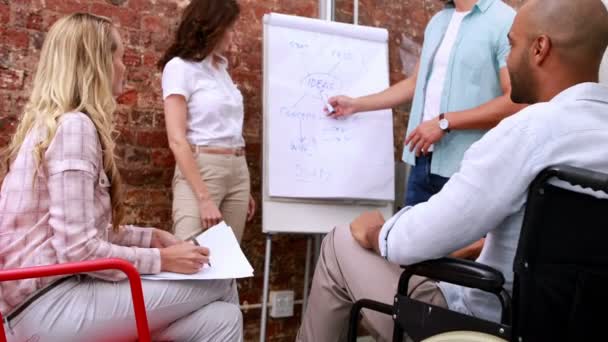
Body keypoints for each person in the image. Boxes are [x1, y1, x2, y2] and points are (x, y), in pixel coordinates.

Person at [298, 0, 608, 340]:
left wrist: (375, 233)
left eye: (513, 44)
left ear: (540, 48)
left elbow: (410, 242)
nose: (507, 58)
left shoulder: (525, 133)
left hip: (485, 324)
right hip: (573, 326)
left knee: (340, 242)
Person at [0, 13, 242, 341]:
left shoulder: (56, 124)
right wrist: (162, 260)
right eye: (116, 55)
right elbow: (78, 250)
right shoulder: (74, 128)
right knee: (220, 279)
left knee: (222, 318)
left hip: (52, 301)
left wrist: (151, 237)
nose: (123, 65)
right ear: (95, 64)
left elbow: (81, 233)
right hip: (49, 306)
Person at [328, 0, 526, 259]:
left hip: (465, 169)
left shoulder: (504, 20)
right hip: (422, 163)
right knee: (412, 264)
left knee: (455, 270)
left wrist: (445, 122)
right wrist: (356, 105)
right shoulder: (438, 22)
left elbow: (516, 100)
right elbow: (415, 83)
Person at [159, 0, 254, 243]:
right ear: (213, 26)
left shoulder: (221, 69)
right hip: (202, 168)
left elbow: (229, 129)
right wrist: (204, 198)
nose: (233, 35)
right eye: (230, 28)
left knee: (230, 260)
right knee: (192, 253)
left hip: (237, 168)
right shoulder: (180, 68)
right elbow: (177, 139)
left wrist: (240, 183)